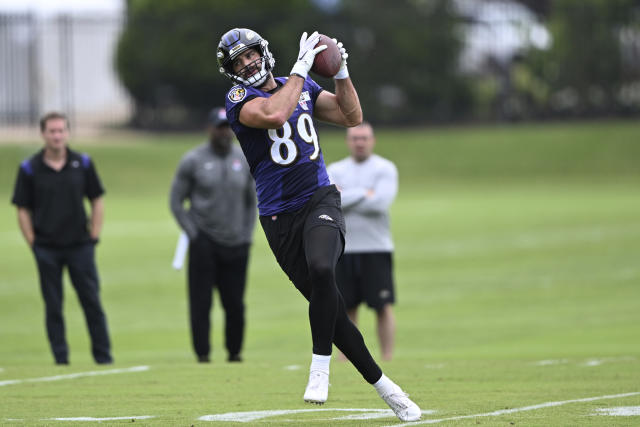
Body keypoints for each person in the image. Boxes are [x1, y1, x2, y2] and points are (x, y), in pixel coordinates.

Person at [216, 28, 421, 422]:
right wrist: (301, 68)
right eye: (239, 61)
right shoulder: (239, 99)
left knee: (324, 268)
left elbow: (352, 116)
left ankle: (319, 364)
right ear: (232, 71)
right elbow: (275, 112)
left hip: (319, 198)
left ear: (264, 51)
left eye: (251, 54)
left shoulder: (302, 84)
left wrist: (340, 72)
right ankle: (388, 389)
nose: (248, 63)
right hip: (279, 216)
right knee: (333, 311)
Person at [11, 112, 113, 365]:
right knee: (53, 306)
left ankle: (103, 357)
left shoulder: (83, 163)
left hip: (80, 245)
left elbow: (97, 198)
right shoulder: (29, 168)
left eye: (61, 131)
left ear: (67, 133)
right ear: (43, 134)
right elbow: (22, 208)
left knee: (92, 301)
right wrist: (32, 241)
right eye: (52, 131)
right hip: (46, 248)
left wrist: (94, 234)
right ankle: (61, 359)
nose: (57, 136)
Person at [169, 107, 256, 363]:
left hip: (237, 242)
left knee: (235, 303)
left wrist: (247, 233)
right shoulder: (193, 160)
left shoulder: (244, 159)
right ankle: (203, 354)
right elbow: (176, 202)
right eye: (219, 127)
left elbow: (252, 202)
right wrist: (193, 234)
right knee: (201, 303)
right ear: (209, 129)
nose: (224, 132)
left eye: (227, 127)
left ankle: (234, 352)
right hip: (204, 241)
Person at [327, 122, 398, 361]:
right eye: (355, 138)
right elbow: (330, 201)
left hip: (376, 247)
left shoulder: (385, 168)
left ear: (372, 140)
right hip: (343, 248)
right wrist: (365, 193)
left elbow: (380, 204)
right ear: (348, 141)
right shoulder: (335, 169)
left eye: (364, 138)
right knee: (346, 308)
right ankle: (346, 358)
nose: (360, 142)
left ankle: (388, 357)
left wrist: (346, 193)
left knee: (382, 305)